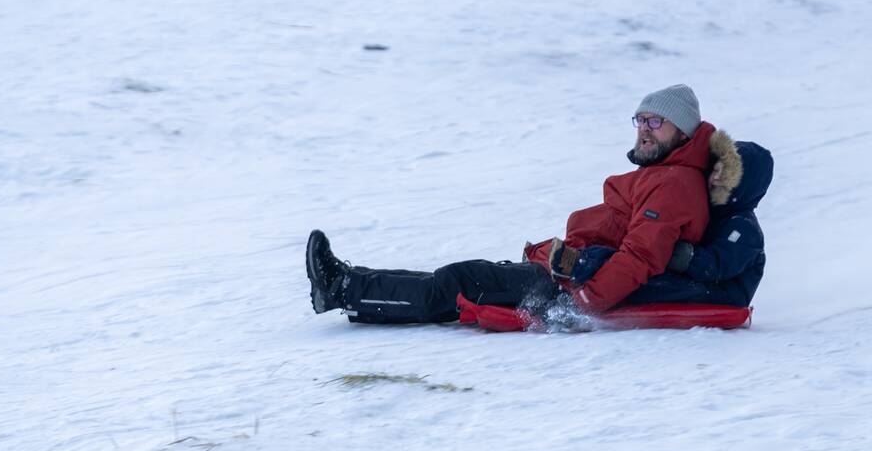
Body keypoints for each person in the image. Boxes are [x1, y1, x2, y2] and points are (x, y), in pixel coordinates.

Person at [306, 84, 719, 324]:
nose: (643, 130)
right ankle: (351, 281)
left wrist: (583, 303)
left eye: (655, 122)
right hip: (566, 273)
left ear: (682, 131)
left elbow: (641, 255)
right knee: (462, 278)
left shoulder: (674, 185)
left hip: (570, 286)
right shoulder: (668, 174)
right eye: (640, 120)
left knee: (458, 283)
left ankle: (343, 289)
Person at [569, 134, 773, 307]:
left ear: (744, 185)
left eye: (726, 174)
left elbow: (718, 266)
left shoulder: (744, 228)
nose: (716, 177)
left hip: (722, 294)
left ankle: (581, 278)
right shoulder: (708, 209)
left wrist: (680, 254)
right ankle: (575, 262)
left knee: (647, 285)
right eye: (716, 170)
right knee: (635, 260)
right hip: (694, 280)